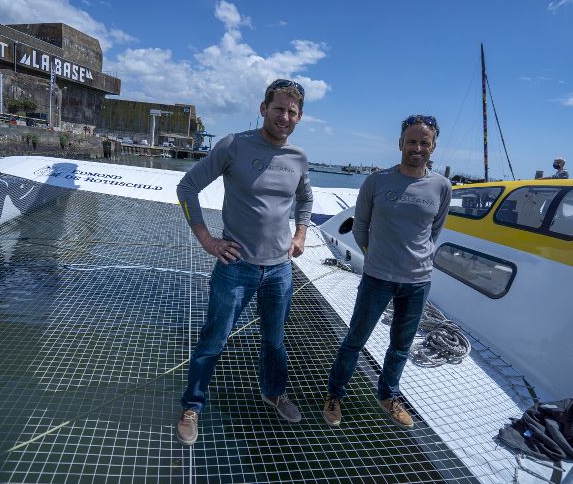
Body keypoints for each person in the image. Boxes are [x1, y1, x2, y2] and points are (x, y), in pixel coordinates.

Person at [175, 79, 313, 445]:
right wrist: (207, 240)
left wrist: (300, 234)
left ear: (299, 117)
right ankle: (192, 406)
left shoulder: (298, 157)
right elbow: (186, 188)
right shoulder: (234, 145)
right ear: (264, 108)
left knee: (274, 340)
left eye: (292, 112)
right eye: (278, 108)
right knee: (213, 339)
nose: (284, 117)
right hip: (236, 267)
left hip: (280, 269)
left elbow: (305, 199)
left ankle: (274, 392)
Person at [322, 114, 451, 429]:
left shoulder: (442, 186)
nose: (417, 147)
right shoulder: (377, 182)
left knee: (400, 346)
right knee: (355, 339)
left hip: (417, 281)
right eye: (411, 141)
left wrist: (414, 259)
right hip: (377, 277)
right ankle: (335, 394)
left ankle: (388, 395)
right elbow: (360, 227)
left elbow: (434, 231)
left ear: (433, 146)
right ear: (400, 143)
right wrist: (375, 256)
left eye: (424, 142)